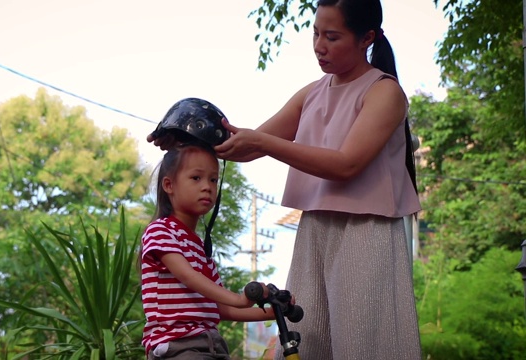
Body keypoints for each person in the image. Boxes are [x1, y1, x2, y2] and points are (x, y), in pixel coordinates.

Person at [149, 0, 422, 358]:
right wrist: (186, 137)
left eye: (332, 36)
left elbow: (346, 165)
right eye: (315, 33)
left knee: (363, 345)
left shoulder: (384, 91)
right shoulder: (312, 92)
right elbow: (242, 146)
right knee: (304, 338)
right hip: (313, 230)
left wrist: (264, 142)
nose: (319, 45)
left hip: (364, 232)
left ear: (366, 38)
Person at [141, 142, 276, 360]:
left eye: (213, 179)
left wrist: (272, 312)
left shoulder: (202, 251)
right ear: (169, 185)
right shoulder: (161, 230)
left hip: (213, 345)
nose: (207, 186)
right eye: (196, 178)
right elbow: (187, 275)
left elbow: (222, 308)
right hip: (178, 345)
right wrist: (240, 298)